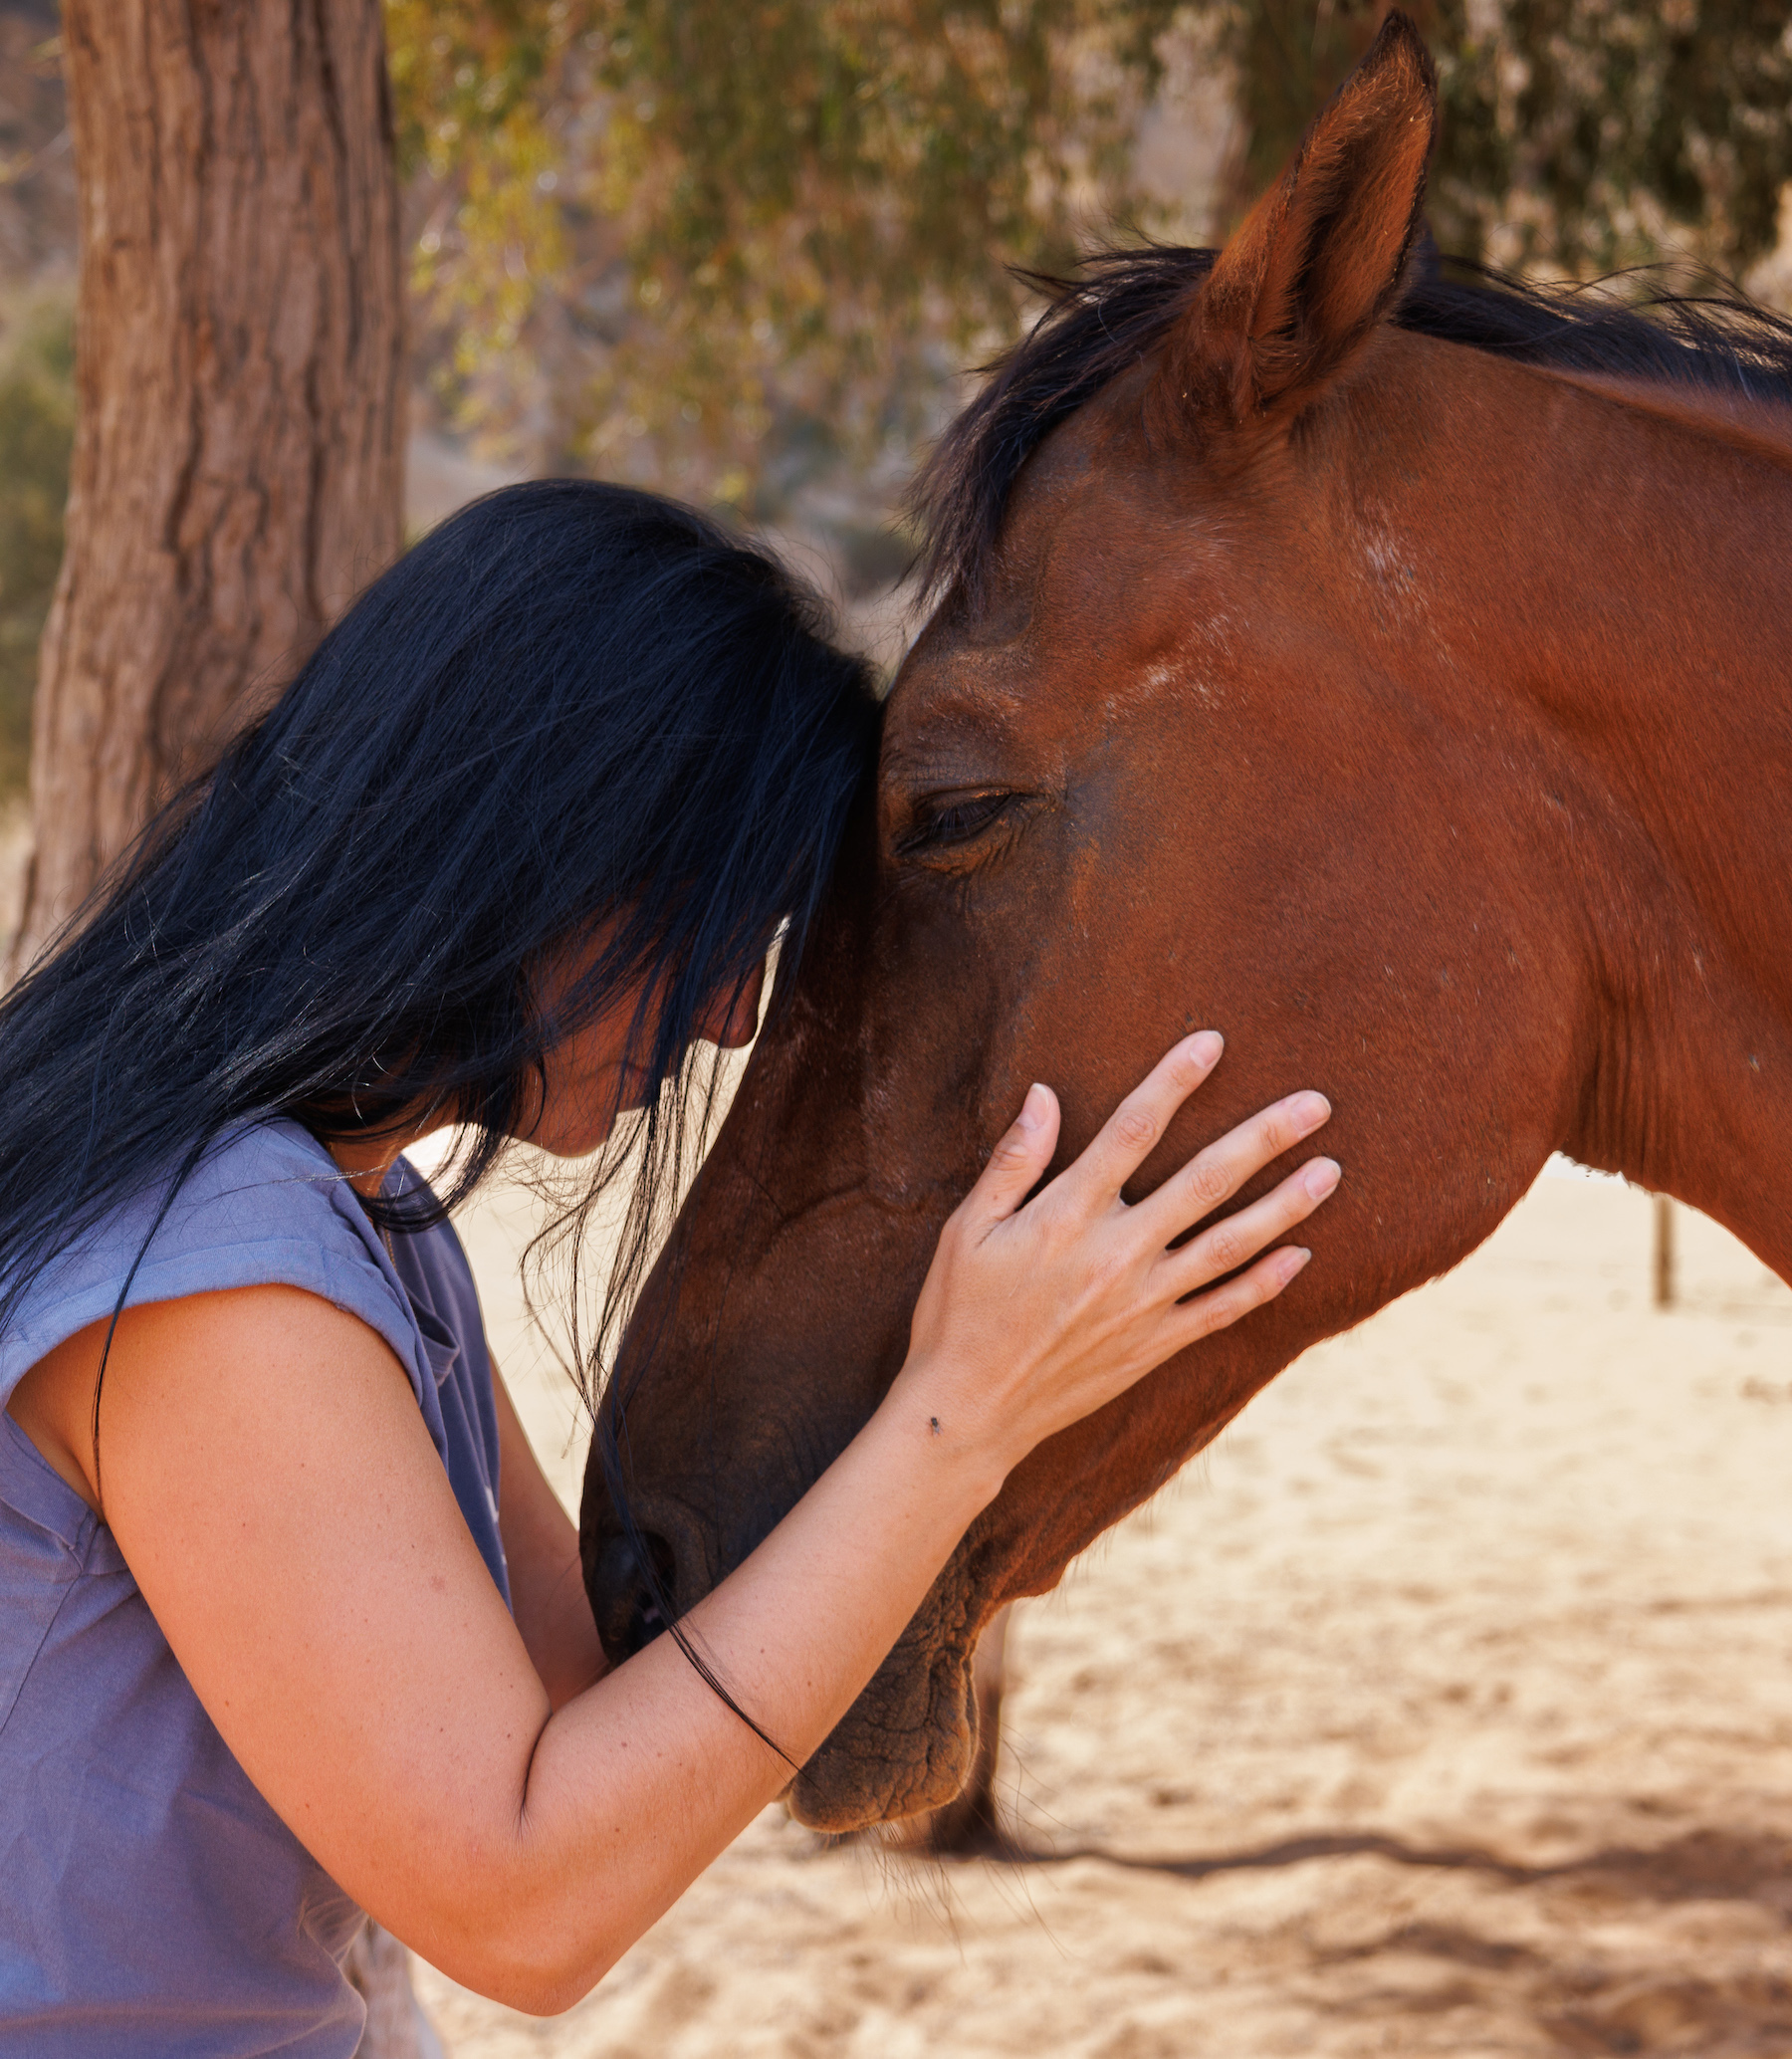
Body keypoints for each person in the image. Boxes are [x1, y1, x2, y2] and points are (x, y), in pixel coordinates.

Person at [0, 481, 1339, 2054]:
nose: (722, 1021)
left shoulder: (369, 1231)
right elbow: (524, 1900)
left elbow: (581, 1704)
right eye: (723, 936)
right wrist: (956, 1418)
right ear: (555, 856)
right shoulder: (210, 1280)